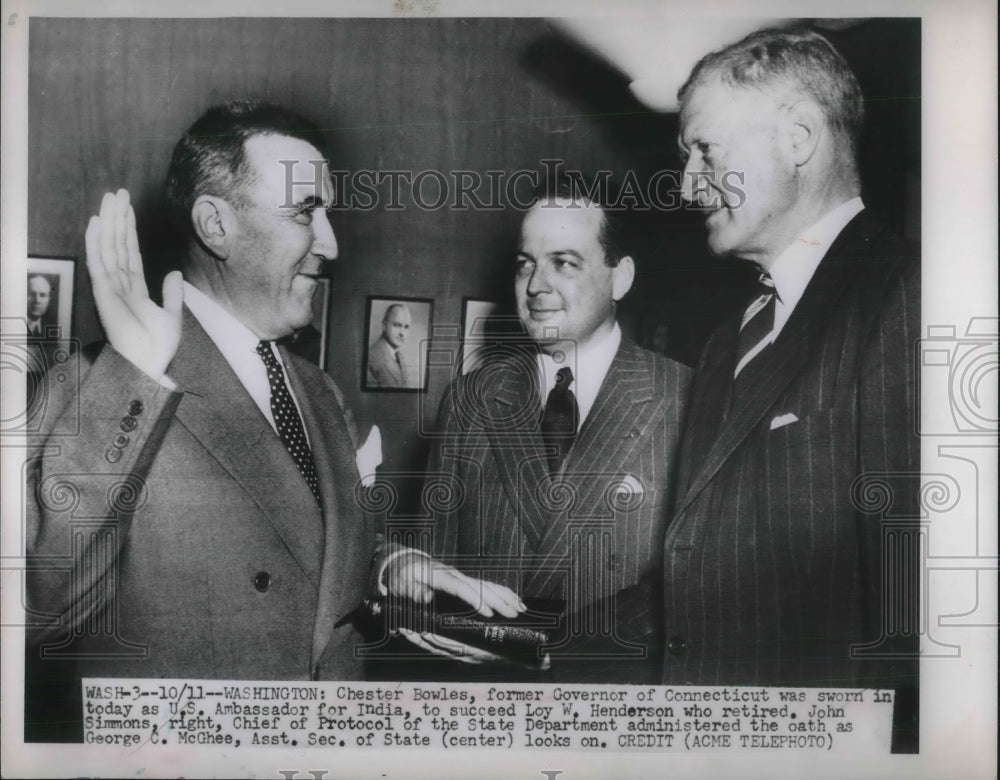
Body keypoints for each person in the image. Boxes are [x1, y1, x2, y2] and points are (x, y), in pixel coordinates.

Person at [23, 101, 520, 740]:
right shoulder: (101, 385)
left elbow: (311, 553)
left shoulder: (316, 390)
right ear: (216, 224)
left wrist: (395, 568)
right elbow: (41, 609)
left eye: (329, 211)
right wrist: (136, 376)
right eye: (305, 210)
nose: (332, 242)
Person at [666, 28, 919, 748]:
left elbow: (921, 628)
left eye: (705, 150)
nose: (687, 184)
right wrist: (524, 629)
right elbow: (700, 580)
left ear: (800, 138)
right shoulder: (728, 341)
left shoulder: (912, 296)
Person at [411, 183, 691, 683]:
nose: (536, 285)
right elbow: (435, 564)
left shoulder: (687, 400)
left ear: (619, 278)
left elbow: (693, 585)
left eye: (564, 262)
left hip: (614, 707)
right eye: (525, 263)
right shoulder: (471, 399)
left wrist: (549, 649)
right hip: (485, 710)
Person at [367, 303, 412, 388]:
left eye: (406, 327)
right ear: (384, 326)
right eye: (397, 325)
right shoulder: (371, 357)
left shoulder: (399, 357)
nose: (402, 333)